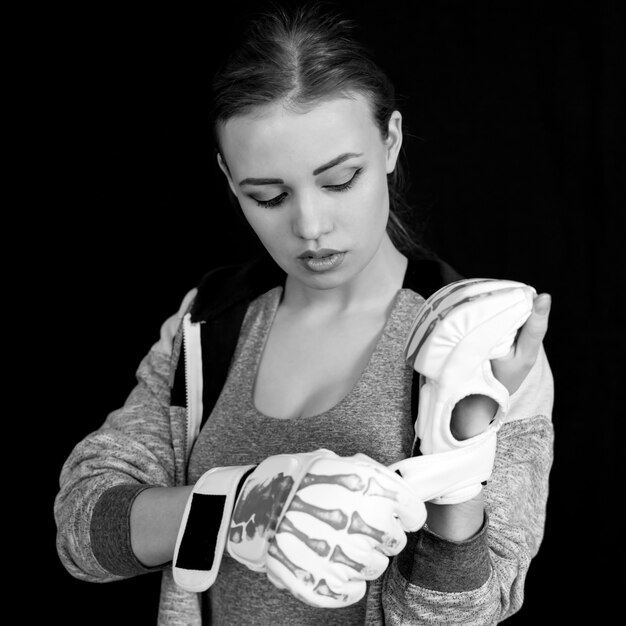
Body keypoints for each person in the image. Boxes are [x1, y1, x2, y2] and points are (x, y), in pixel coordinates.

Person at [54, 4, 554, 625]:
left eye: (340, 180)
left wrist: (461, 452)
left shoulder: (478, 342)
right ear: (227, 177)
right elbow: (84, 529)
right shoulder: (208, 324)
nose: (309, 227)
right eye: (267, 195)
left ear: (391, 141)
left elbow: (466, 617)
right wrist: (248, 507)